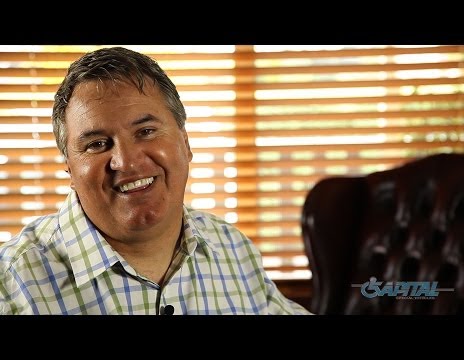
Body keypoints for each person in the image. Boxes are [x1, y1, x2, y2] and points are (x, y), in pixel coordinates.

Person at [0, 46, 312, 315]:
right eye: (97, 144)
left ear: (185, 144)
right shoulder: (11, 282)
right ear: (69, 168)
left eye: (146, 131)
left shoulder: (232, 248)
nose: (127, 161)